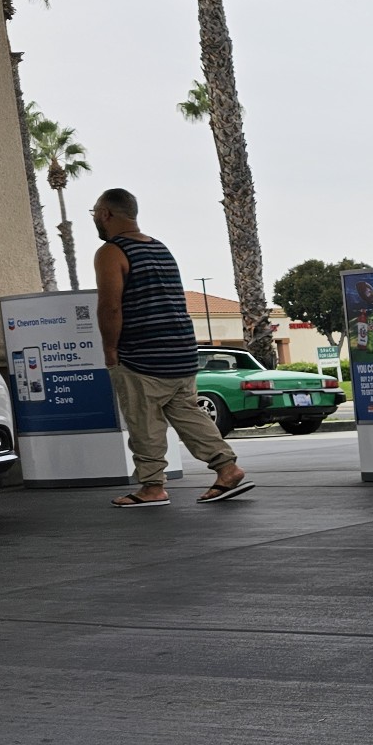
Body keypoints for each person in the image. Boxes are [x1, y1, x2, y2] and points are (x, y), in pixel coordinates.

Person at [92, 187, 253, 508]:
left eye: (94, 212)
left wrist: (110, 349)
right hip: (181, 350)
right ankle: (227, 468)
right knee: (188, 414)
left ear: (106, 214)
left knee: (144, 421)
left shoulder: (111, 251)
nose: (95, 218)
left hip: (142, 352)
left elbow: (110, 306)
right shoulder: (159, 247)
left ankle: (152, 487)